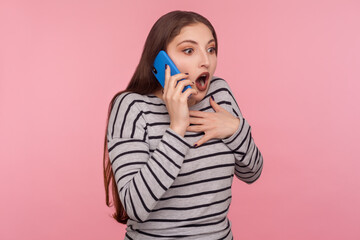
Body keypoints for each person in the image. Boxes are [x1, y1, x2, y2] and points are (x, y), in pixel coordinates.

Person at [103, 10, 263, 240]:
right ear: (161, 60)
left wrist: (236, 130)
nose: (205, 61)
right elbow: (136, 207)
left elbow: (252, 173)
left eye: (210, 49)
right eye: (189, 50)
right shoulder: (131, 107)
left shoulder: (219, 93)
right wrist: (177, 127)